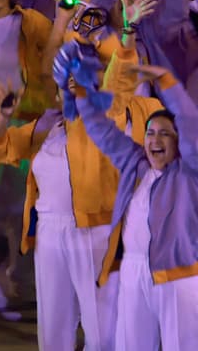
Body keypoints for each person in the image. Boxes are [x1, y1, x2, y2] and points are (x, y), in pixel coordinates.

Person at [77, 60, 198, 351]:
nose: (155, 140)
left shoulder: (189, 172)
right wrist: (79, 94)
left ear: (179, 141)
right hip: (132, 270)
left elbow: (190, 122)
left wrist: (167, 80)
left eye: (164, 133)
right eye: (150, 133)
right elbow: (101, 130)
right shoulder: (136, 163)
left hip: (178, 275)